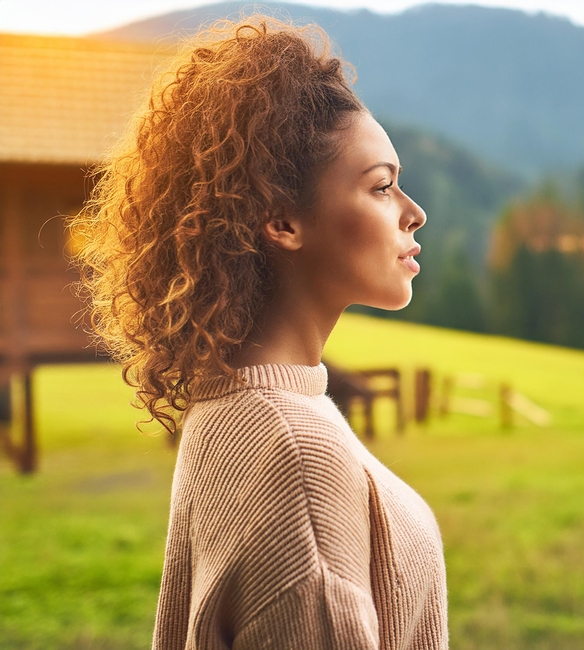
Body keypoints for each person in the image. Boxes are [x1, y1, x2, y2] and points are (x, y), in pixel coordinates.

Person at [72, 15, 447, 650]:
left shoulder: (230, 411)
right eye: (381, 187)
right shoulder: (295, 453)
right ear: (282, 221)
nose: (415, 213)